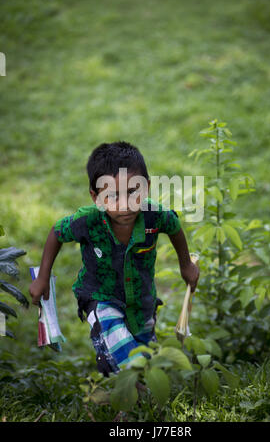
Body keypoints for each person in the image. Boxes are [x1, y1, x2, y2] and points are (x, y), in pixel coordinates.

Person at [29, 141, 200, 377]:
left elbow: (174, 226)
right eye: (112, 196)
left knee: (143, 349)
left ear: (146, 187)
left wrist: (186, 265)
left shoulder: (155, 216)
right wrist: (43, 277)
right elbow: (57, 232)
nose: (125, 204)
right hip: (100, 297)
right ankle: (132, 388)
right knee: (119, 348)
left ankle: (134, 396)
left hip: (142, 300)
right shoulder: (88, 221)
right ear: (96, 197)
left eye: (133, 192)